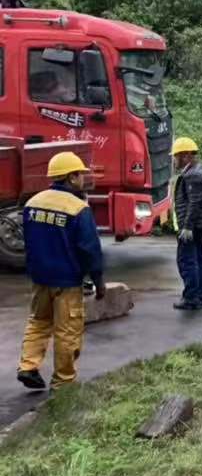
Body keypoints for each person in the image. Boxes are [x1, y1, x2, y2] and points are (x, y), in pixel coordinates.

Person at [17, 150, 104, 391]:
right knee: (67, 331)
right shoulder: (78, 208)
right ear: (71, 177)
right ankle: (63, 382)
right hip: (66, 280)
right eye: (79, 174)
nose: (82, 179)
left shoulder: (32, 203)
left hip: (39, 277)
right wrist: (98, 280)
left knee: (39, 321)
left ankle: (28, 366)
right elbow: (90, 250)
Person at [171, 136, 202, 311]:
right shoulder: (196, 171)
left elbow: (194, 202)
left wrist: (187, 227)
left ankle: (191, 297)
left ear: (186, 156)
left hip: (193, 226)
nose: (174, 160)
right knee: (200, 259)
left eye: (176, 156)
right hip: (201, 224)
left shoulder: (193, 175)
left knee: (187, 261)